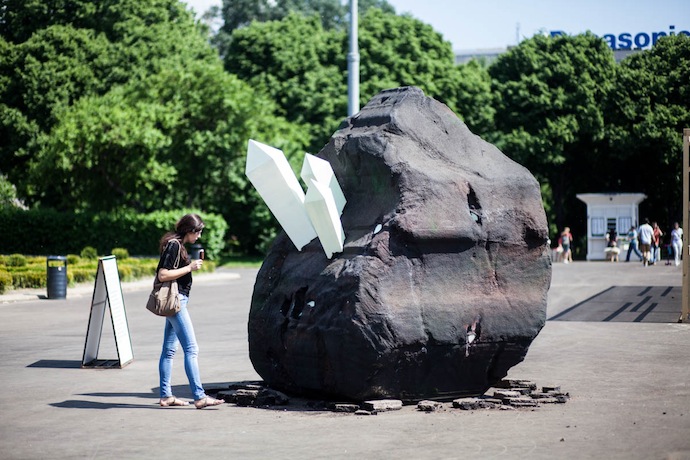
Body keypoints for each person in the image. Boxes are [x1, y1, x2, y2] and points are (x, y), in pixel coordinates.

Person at [156, 213, 223, 409]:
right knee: (191, 349)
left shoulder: (175, 244)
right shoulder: (174, 245)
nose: (199, 236)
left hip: (176, 301)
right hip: (177, 303)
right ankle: (199, 396)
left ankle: (166, 396)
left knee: (168, 351)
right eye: (198, 232)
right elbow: (163, 274)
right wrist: (190, 267)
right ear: (190, 231)